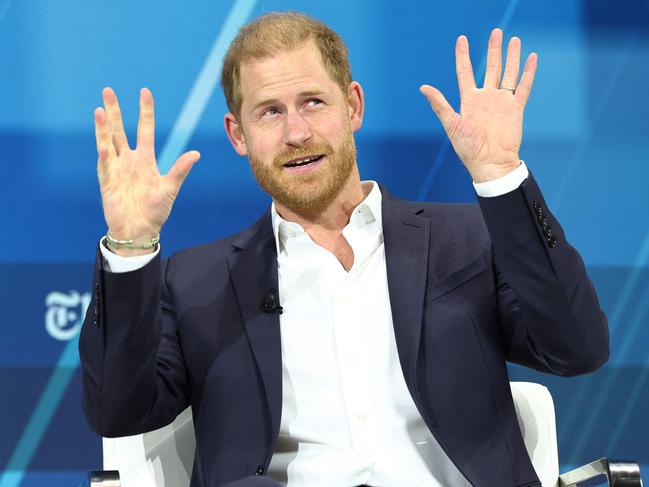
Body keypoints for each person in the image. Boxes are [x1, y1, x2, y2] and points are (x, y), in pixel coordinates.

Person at [80, 12, 609, 487]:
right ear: (238, 135)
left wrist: (500, 179)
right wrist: (129, 245)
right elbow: (118, 413)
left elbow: (577, 348)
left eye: (313, 101)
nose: (296, 132)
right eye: (268, 112)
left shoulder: (467, 241)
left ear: (353, 106)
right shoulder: (196, 282)